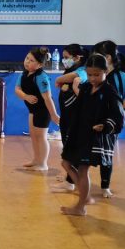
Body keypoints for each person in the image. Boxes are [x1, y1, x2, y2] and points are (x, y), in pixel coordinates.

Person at [59, 55, 125, 217]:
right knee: (66, 163)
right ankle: (85, 194)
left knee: (82, 169)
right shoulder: (86, 88)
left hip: (94, 137)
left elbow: (118, 116)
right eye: (89, 74)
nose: (93, 78)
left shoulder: (109, 91)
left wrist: (105, 125)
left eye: (97, 74)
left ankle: (80, 206)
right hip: (80, 134)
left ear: (105, 72)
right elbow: (78, 109)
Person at [92, 40, 125, 198]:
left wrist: (114, 110)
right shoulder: (95, 76)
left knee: (106, 153)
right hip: (93, 120)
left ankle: (105, 186)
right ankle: (73, 180)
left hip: (110, 123)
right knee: (83, 151)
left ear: (108, 58)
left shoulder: (120, 77)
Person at [14, 47, 60, 171]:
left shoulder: (41, 77)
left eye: (31, 60)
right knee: (34, 136)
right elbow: (17, 89)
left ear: (39, 65)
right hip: (32, 110)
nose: (27, 62)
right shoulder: (24, 74)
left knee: (41, 137)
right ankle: (36, 160)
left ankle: (43, 164)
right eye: (27, 58)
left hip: (43, 111)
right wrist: (26, 96)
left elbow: (47, 98)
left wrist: (54, 115)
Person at [51, 44, 88, 192]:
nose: (64, 60)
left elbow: (78, 76)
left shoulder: (83, 70)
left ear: (77, 58)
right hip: (67, 117)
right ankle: (70, 177)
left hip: (75, 118)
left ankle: (72, 183)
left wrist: (60, 78)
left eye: (66, 57)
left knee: (73, 150)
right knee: (67, 148)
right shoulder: (70, 70)